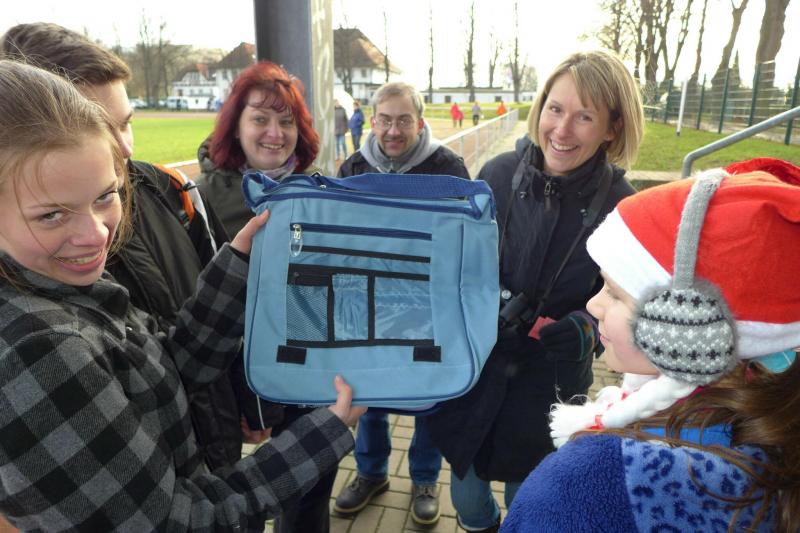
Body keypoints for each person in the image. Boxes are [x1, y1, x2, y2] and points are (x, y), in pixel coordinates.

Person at [0, 58, 365, 532]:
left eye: (106, 196)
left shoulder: (59, 283)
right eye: (51, 215)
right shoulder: (36, 351)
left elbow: (165, 368)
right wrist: (320, 438)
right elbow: (181, 522)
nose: (96, 235)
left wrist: (239, 264)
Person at [0, 22, 263, 472]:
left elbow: (166, 358)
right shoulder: (39, 339)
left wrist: (236, 265)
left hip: (213, 446)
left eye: (126, 123)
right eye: (100, 126)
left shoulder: (165, 190)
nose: (122, 148)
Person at [501, 157, 800, 532]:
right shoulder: (774, 423)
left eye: (615, 294)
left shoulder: (586, 481)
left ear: (688, 327)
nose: (594, 305)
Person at [427, 50, 645, 532]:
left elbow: (627, 302)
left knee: (530, 499)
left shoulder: (623, 207)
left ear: (612, 128)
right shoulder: (497, 174)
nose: (562, 130)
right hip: (479, 367)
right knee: (467, 497)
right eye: (555, 108)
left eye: (584, 116)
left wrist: (584, 328)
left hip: (549, 380)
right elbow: (459, 263)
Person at [196, 60, 335, 533]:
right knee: (243, 503)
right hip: (237, 383)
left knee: (310, 494)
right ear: (235, 126)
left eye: (286, 121)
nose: (275, 133)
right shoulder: (203, 199)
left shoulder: (318, 188)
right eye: (260, 118)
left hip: (309, 373)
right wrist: (246, 403)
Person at [334, 81, 469, 526]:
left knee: (428, 396)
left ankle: (425, 478)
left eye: (404, 120)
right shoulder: (353, 167)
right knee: (370, 391)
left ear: (420, 122)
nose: (394, 131)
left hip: (426, 305)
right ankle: (372, 473)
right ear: (373, 122)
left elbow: (464, 236)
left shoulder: (448, 168)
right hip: (368, 302)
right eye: (386, 120)